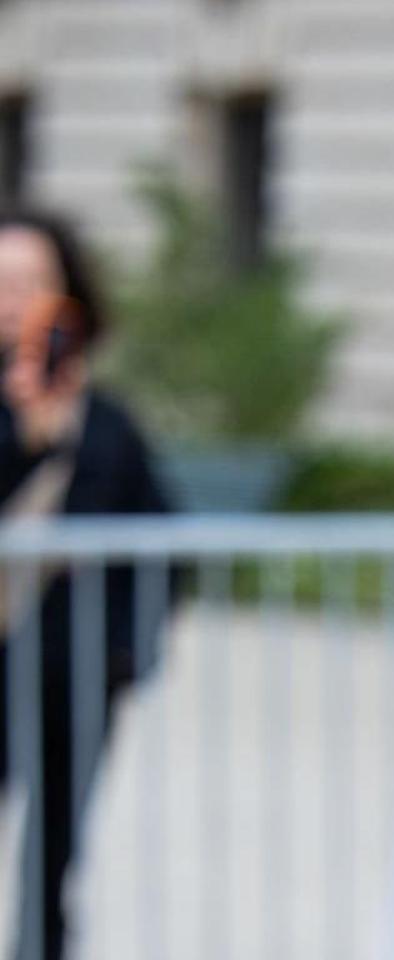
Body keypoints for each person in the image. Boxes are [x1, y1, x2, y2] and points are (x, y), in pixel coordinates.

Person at [0, 208, 175, 960]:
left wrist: (127, 651)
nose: (14, 300)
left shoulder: (106, 421)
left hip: (73, 671)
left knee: (53, 859)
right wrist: (28, 443)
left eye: (30, 280)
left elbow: (162, 540)